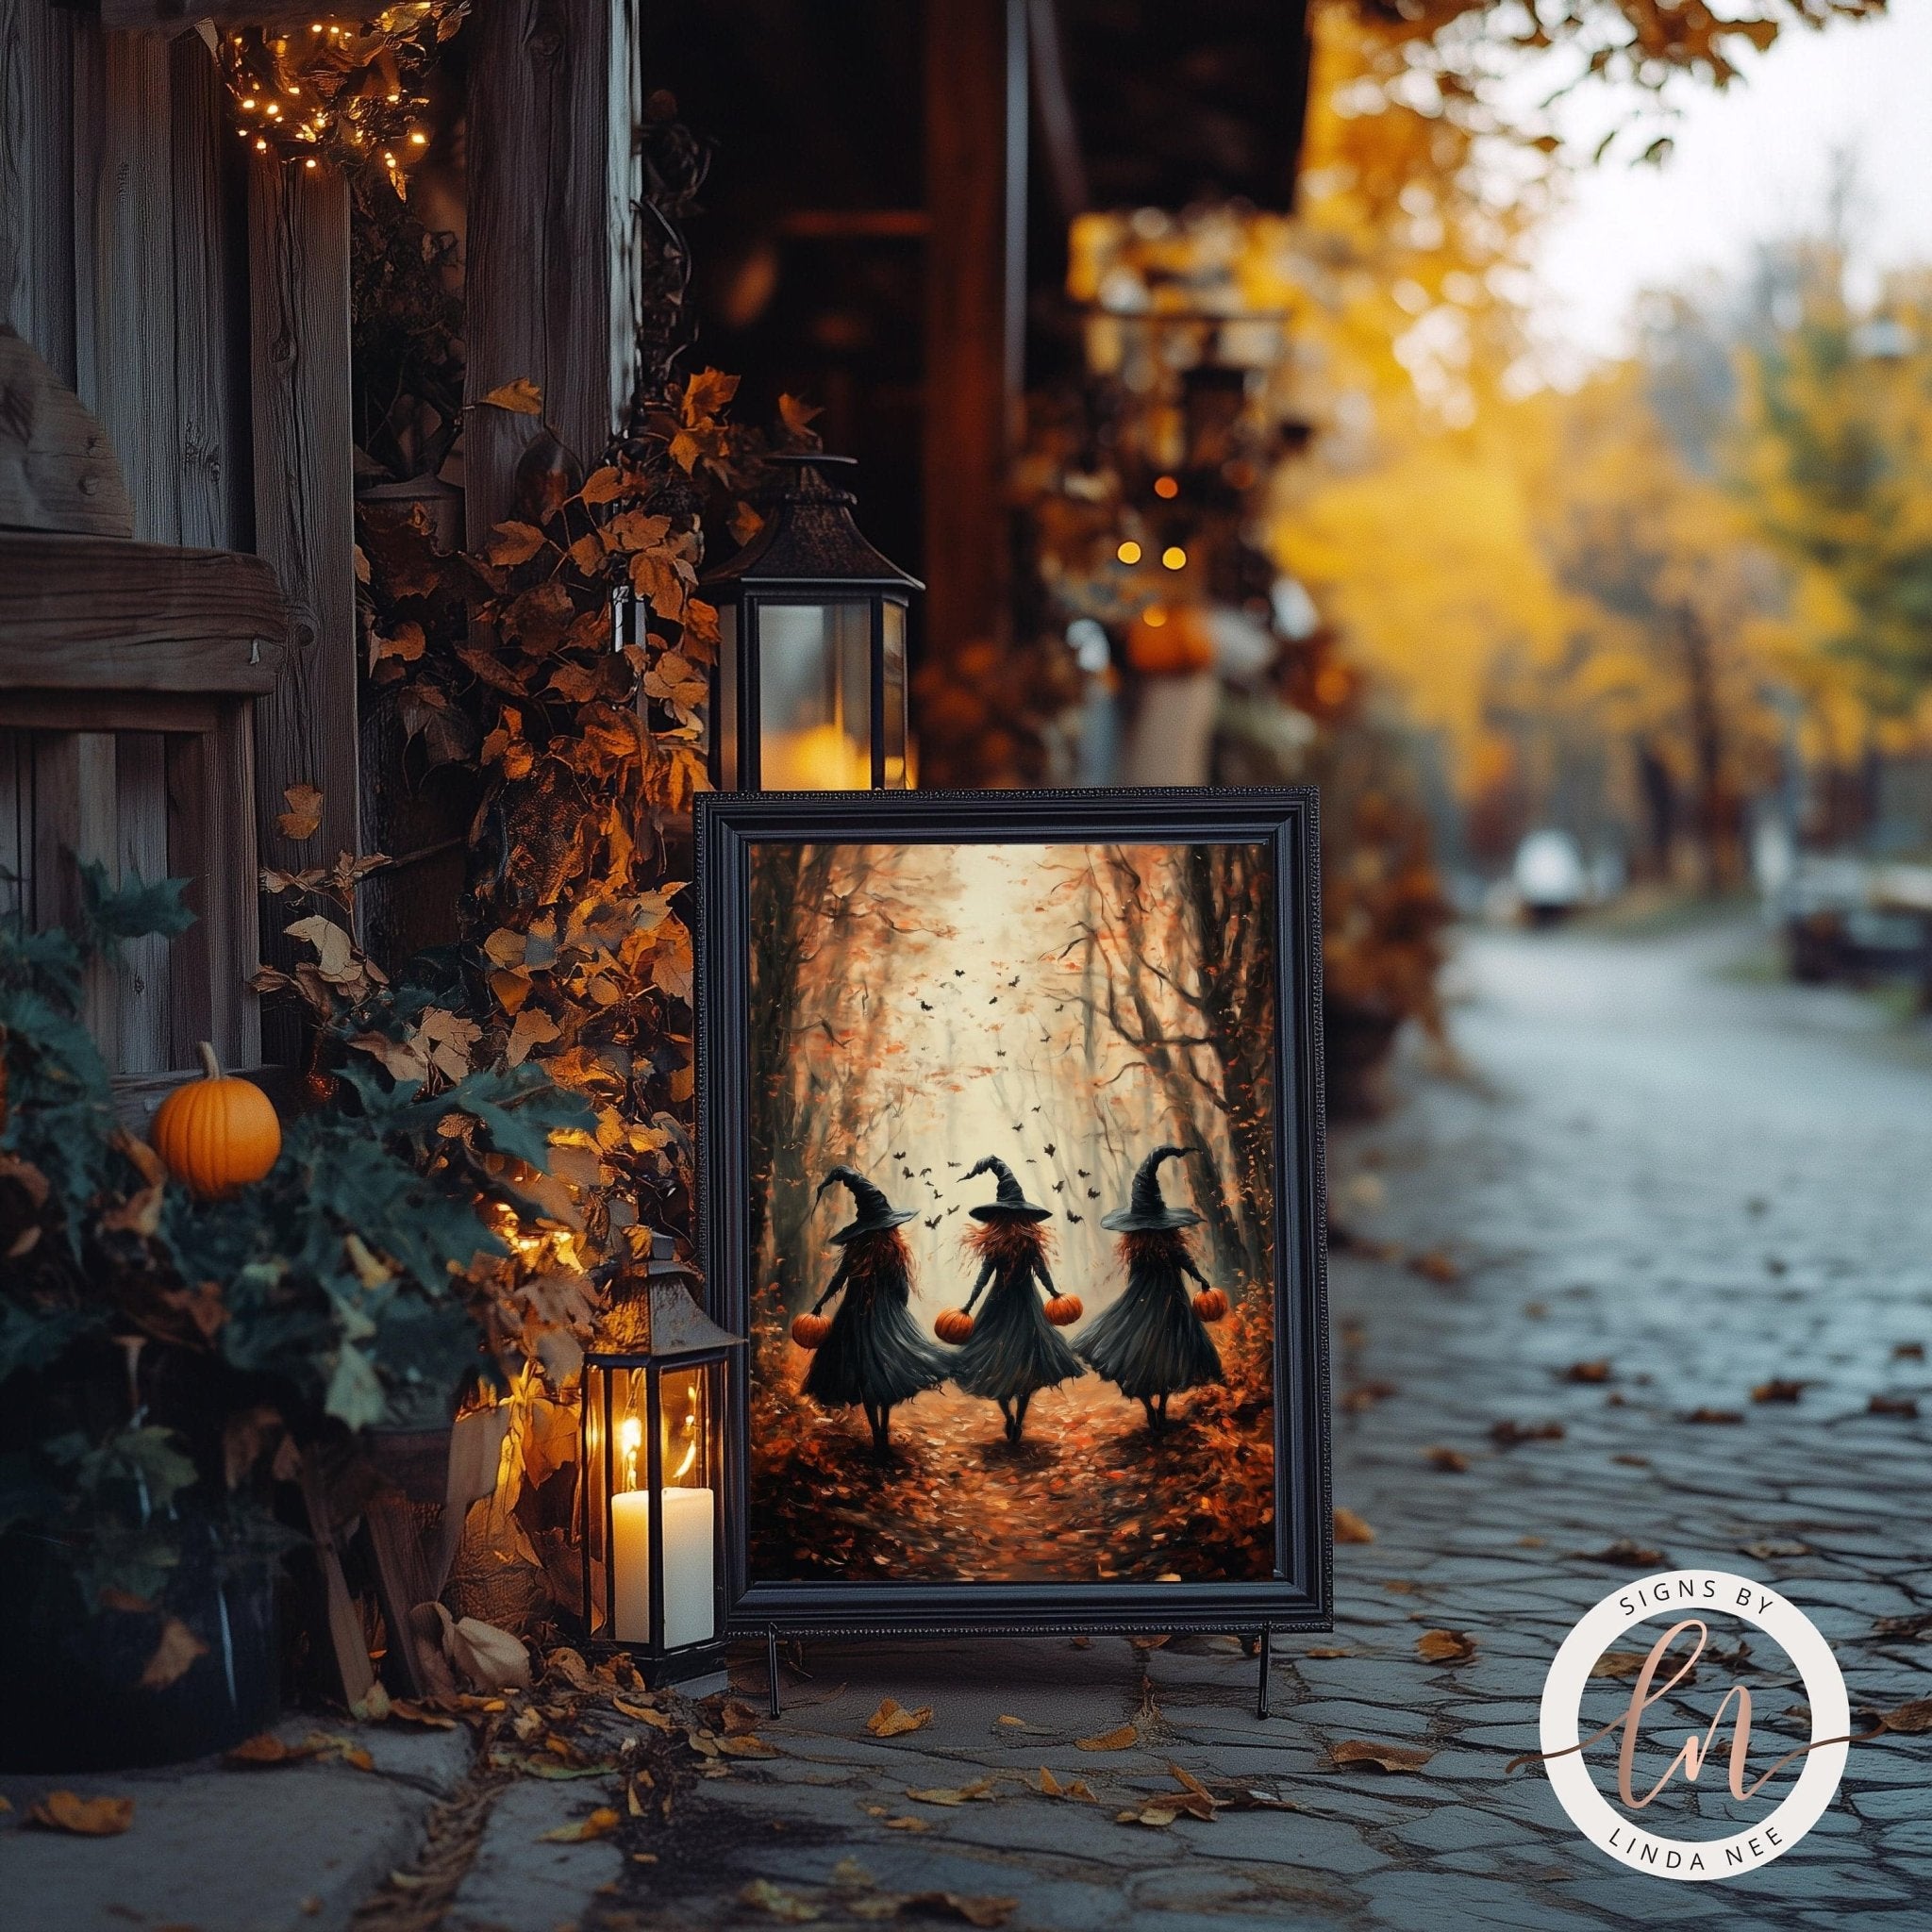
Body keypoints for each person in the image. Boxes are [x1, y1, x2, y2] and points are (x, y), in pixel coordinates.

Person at [800, 1166, 948, 1457]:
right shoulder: (893, 1251)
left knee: (864, 1374)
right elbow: (901, 1288)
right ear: (888, 1227)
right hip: (885, 1317)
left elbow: (838, 1280)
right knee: (883, 1371)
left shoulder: (856, 1251)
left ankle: (878, 1434)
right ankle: (883, 1428)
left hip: (854, 1317)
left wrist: (821, 1303)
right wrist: (897, 1310)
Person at [1078, 1145, 1223, 1431]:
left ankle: (1154, 1408)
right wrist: (1200, 1280)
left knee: (1149, 1354)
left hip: (1153, 1303)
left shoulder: (1141, 1246)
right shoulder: (1161, 1244)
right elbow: (1182, 1261)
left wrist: (1199, 1278)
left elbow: (1179, 1262)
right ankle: (1158, 1407)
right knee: (1163, 1352)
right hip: (1161, 1303)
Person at [945, 1156, 1083, 1444]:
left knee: (1001, 1362)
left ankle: (1010, 1417)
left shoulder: (1000, 1244)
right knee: (1025, 1364)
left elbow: (984, 1279)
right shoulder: (1025, 1243)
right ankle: (1016, 1419)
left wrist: (969, 1306)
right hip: (1023, 1304)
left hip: (1000, 1305)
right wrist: (1054, 1293)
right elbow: (1039, 1273)